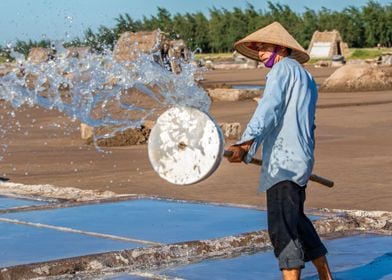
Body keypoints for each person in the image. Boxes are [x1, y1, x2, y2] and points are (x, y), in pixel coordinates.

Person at [226, 21, 333, 280]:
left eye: (264, 48)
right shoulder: (305, 75)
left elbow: (268, 109)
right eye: (258, 48)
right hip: (300, 159)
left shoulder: (281, 71)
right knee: (296, 219)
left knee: (282, 227)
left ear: (280, 49)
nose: (260, 53)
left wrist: (245, 143)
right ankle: (325, 276)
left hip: (284, 163)